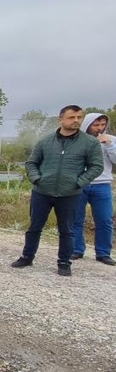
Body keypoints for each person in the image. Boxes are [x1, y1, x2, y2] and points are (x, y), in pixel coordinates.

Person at [11, 105, 104, 276]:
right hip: (42, 192)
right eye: (71, 117)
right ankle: (27, 256)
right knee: (34, 227)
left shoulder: (89, 143)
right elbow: (31, 163)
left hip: (70, 194)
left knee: (67, 230)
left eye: (78, 117)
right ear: (60, 119)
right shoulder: (45, 141)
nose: (76, 120)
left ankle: (64, 262)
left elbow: (96, 166)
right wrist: (37, 179)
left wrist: (79, 182)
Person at [71, 113, 116, 265]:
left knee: (104, 220)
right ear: (88, 124)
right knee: (75, 219)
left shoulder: (111, 139)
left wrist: (109, 145)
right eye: (96, 125)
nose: (100, 128)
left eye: (102, 125)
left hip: (102, 184)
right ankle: (76, 249)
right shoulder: (77, 139)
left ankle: (103, 253)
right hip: (79, 183)